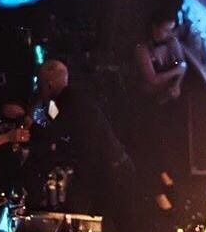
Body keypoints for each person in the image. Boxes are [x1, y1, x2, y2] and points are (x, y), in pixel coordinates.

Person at [28, 59, 132, 215]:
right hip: (112, 167)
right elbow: (51, 122)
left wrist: (30, 122)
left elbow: (52, 133)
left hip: (113, 171)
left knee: (112, 220)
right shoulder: (70, 98)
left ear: (49, 84)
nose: (38, 88)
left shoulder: (70, 103)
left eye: (40, 83)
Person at [133, 7, 187, 210]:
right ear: (154, 27)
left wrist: (177, 84)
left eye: (170, 30)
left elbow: (183, 66)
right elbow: (152, 79)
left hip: (167, 101)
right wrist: (175, 72)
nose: (168, 34)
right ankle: (156, 193)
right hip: (147, 103)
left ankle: (164, 174)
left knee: (166, 142)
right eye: (165, 30)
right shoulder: (142, 48)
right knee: (150, 146)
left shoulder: (172, 41)